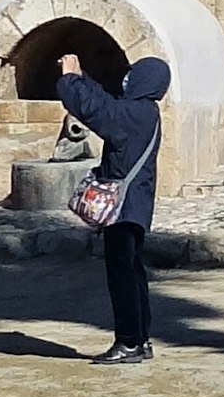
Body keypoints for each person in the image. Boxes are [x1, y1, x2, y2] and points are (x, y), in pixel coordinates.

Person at [51, 53, 169, 363]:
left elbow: (96, 111)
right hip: (134, 206)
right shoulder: (143, 111)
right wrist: (83, 75)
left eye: (133, 74)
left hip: (122, 208)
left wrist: (69, 81)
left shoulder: (133, 114)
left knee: (122, 276)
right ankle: (140, 340)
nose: (127, 79)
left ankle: (128, 342)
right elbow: (106, 103)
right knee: (132, 272)